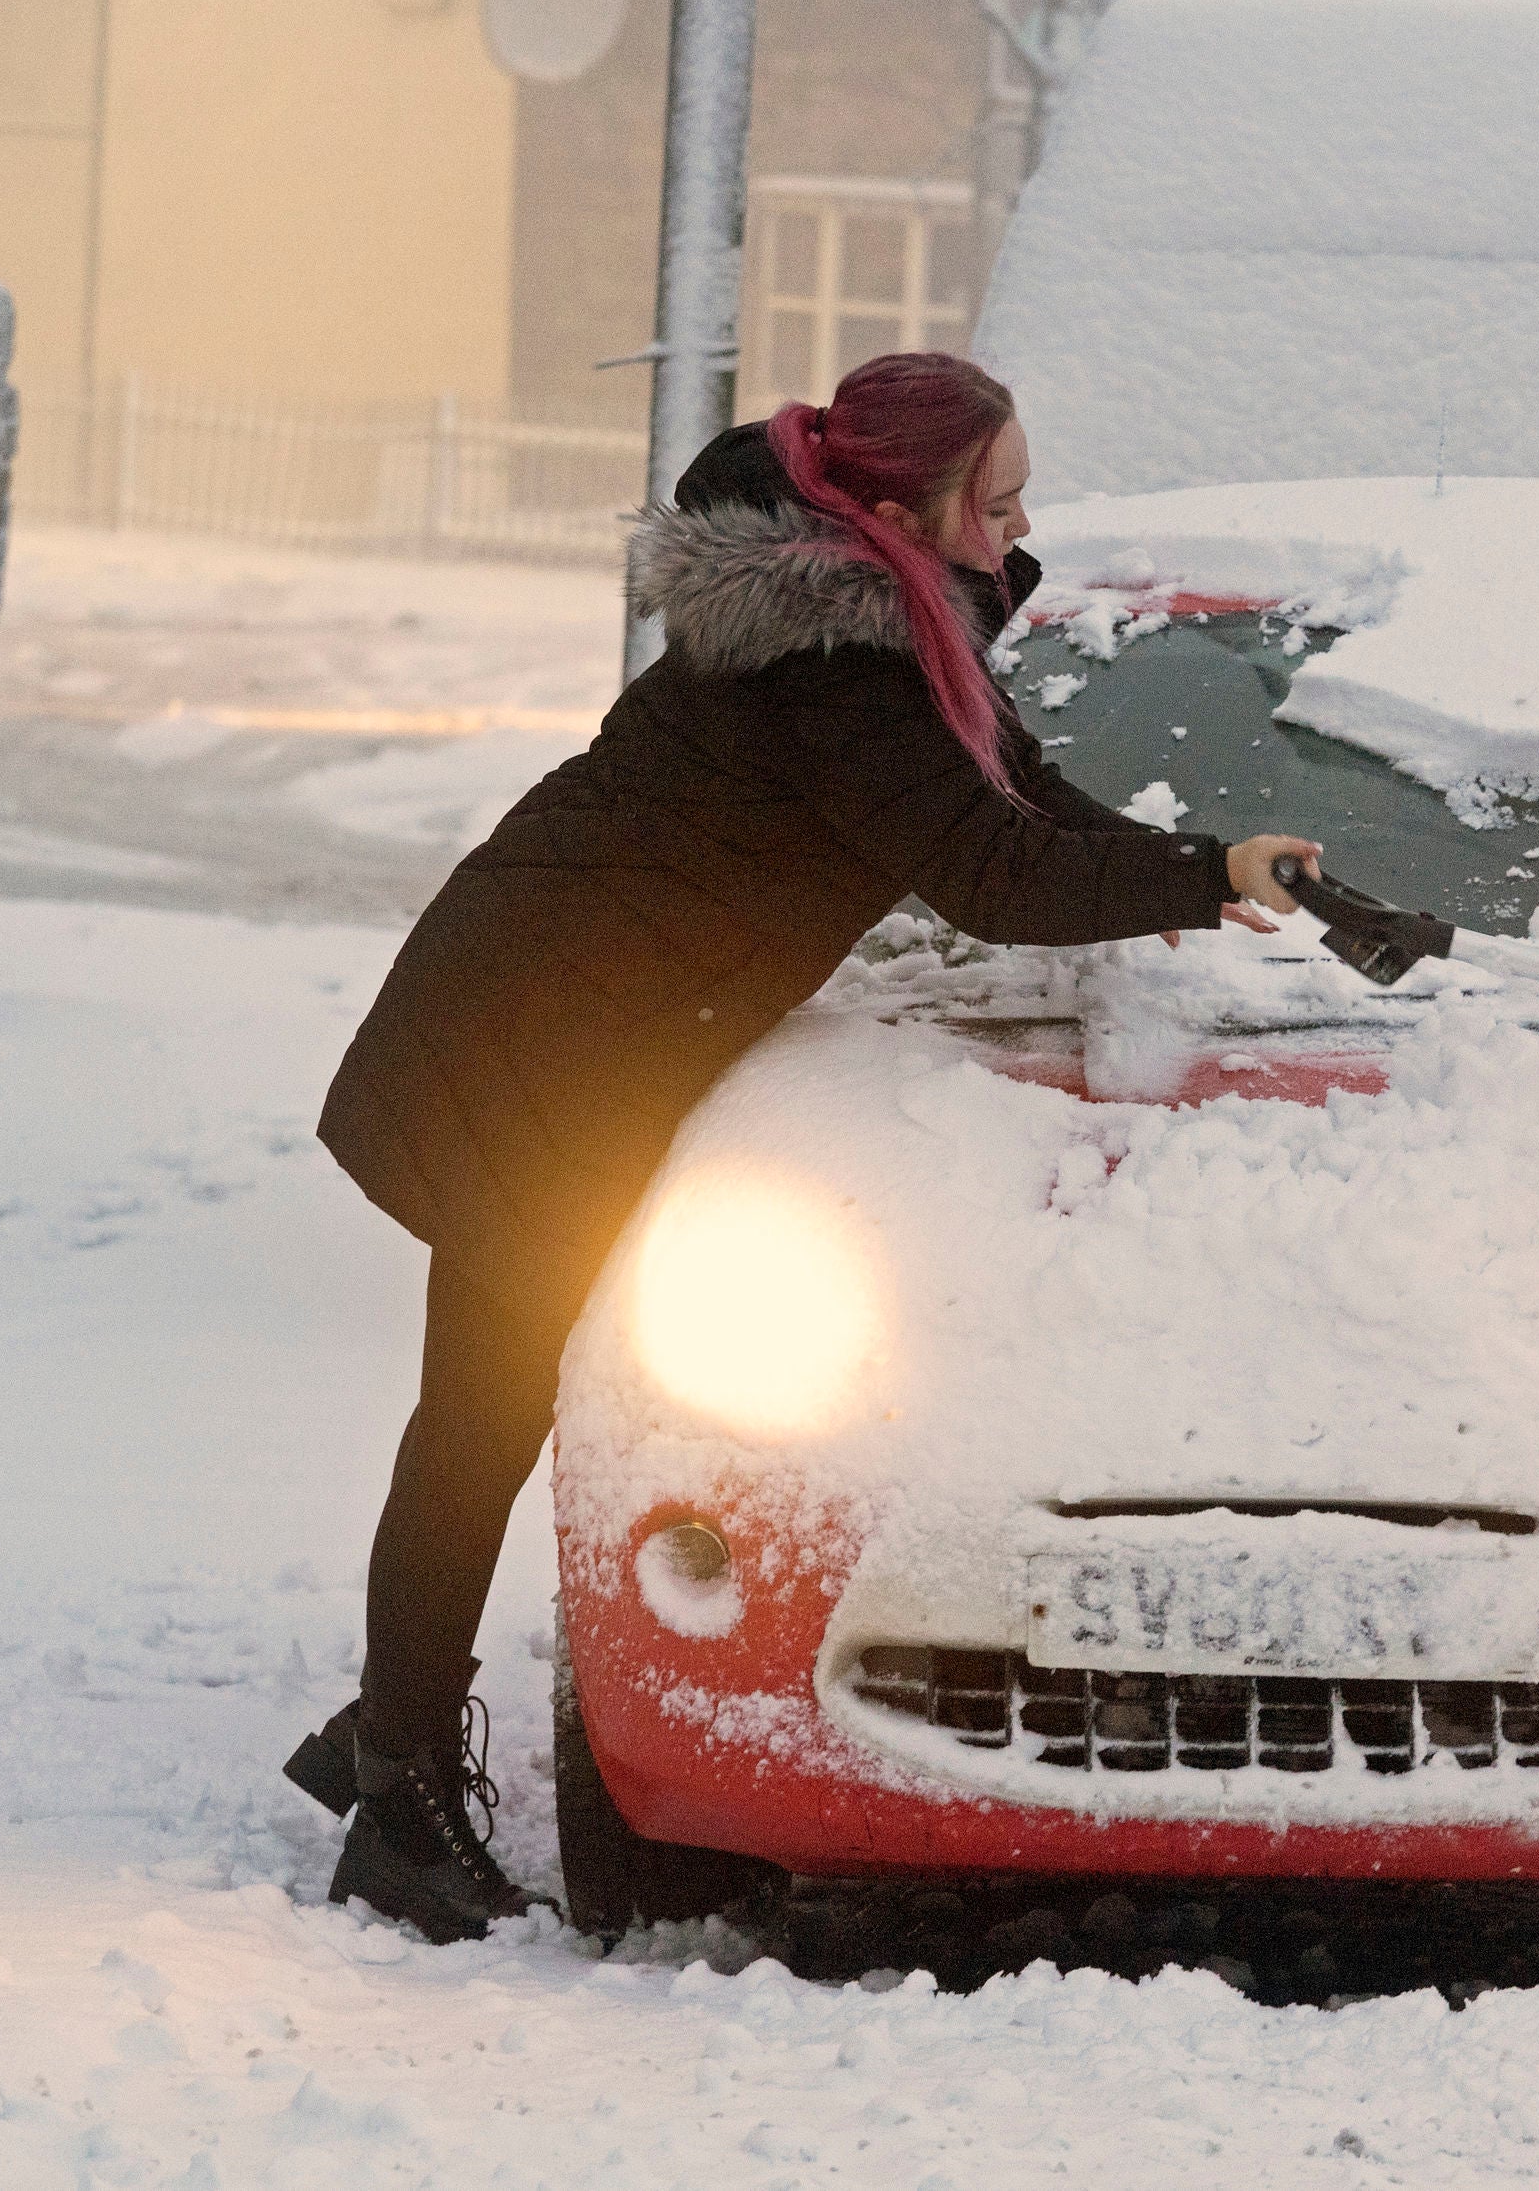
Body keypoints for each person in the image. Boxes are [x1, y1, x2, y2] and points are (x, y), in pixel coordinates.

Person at [280, 352, 1323, 1942]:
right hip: (547, 1036)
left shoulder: (893, 623)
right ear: (909, 508)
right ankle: (404, 1792)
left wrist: (1209, 866)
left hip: (583, 1005)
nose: (1027, 519)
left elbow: (1022, 798)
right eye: (1004, 497)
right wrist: (1193, 879)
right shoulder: (839, 663)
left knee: (482, 1406)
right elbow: (989, 872)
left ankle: (383, 1729)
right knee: (482, 1413)